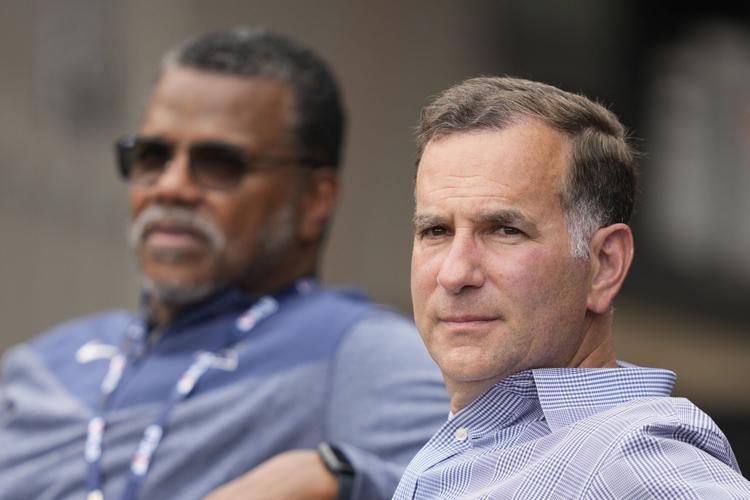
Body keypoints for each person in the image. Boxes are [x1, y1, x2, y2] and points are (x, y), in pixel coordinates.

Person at [0, 27, 448, 500]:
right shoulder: (42, 363)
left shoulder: (354, 351)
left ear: (315, 199)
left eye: (219, 163)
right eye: (152, 156)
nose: (170, 187)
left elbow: (490, 475)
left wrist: (337, 477)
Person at [392, 76, 750, 498]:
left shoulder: (631, 457)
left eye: (505, 230)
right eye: (436, 230)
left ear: (605, 265)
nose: (454, 274)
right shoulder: (472, 435)